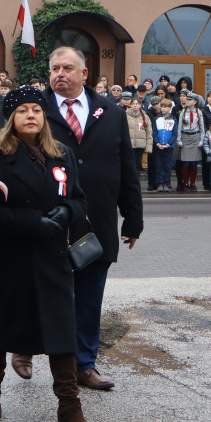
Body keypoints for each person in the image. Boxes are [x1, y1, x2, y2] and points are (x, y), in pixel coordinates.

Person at [13, 46, 142, 391]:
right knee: (38, 289)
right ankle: (24, 346)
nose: (59, 74)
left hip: (96, 220)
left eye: (67, 68)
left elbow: (126, 167)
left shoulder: (111, 112)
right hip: (47, 220)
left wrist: (133, 218)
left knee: (88, 297)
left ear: (84, 74)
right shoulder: (34, 109)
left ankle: (84, 364)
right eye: (54, 68)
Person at [0, 86, 96, 422]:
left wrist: (67, 211)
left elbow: (79, 199)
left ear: (45, 116)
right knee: (0, 330)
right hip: (11, 259)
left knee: (61, 331)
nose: (30, 115)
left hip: (52, 258)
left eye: (37, 110)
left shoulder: (62, 153)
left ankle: (69, 407)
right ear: (11, 118)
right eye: (22, 110)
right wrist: (32, 221)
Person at [177, 92, 205, 192]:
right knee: (185, 162)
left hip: (195, 137)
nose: (188, 101)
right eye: (187, 99)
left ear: (195, 101)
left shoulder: (198, 112)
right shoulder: (183, 112)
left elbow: (202, 127)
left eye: (190, 100)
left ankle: (193, 183)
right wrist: (179, 139)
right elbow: (179, 127)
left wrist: (202, 140)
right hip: (185, 137)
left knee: (194, 163)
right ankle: (185, 183)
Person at [151, 98, 177, 192]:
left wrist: (168, 144)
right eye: (162, 107)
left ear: (170, 108)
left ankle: (166, 183)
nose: (163, 109)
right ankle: (159, 183)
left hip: (169, 147)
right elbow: (154, 132)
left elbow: (174, 133)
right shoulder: (157, 119)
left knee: (167, 165)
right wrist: (157, 143)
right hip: (159, 146)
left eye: (165, 107)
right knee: (159, 165)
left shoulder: (173, 119)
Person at [126, 96, 152, 175]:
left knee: (137, 165)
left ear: (140, 105)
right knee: (129, 166)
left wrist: (148, 146)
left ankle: (136, 180)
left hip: (140, 145)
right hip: (129, 144)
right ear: (130, 105)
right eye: (133, 103)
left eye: (137, 104)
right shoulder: (125, 116)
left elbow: (149, 132)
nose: (135, 105)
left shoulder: (145, 117)